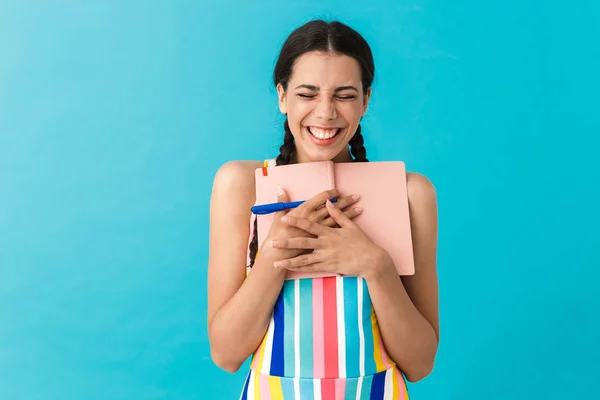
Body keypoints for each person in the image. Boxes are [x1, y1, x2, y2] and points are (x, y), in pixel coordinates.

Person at [207, 19, 439, 399]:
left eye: (345, 94)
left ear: (366, 100)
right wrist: (274, 258)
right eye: (307, 93)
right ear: (282, 96)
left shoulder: (411, 193)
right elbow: (226, 354)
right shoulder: (240, 184)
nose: (326, 112)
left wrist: (376, 266)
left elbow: (420, 364)